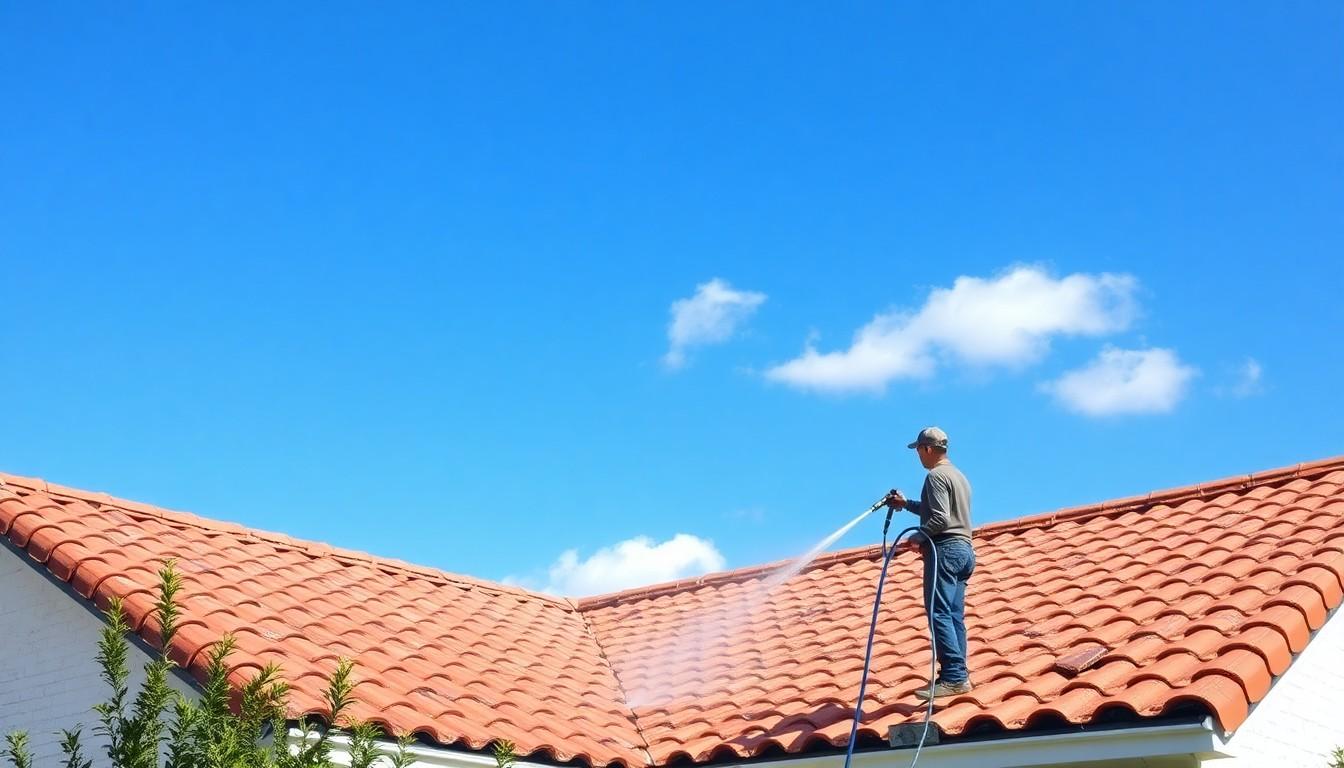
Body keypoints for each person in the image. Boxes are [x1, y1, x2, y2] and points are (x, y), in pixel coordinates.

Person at [885, 426, 976, 700]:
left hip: (945, 550)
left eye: (918, 451)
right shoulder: (958, 476)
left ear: (926, 449)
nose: (919, 457)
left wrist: (916, 538)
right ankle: (959, 674)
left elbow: (940, 520)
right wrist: (906, 505)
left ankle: (953, 678)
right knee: (953, 614)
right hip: (964, 551)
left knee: (938, 612)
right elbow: (938, 510)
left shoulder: (935, 476)